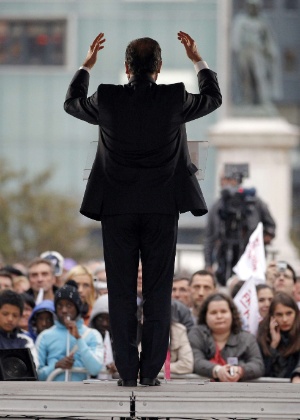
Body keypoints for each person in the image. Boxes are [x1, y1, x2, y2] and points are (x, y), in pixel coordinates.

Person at [64, 30, 221, 387]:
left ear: (126, 67)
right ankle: (150, 372)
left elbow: (71, 103)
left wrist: (86, 66)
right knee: (157, 290)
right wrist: (198, 58)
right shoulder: (174, 97)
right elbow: (213, 98)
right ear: (159, 68)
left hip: (116, 209)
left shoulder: (106, 97)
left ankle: (127, 372)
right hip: (162, 208)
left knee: (119, 291)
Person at [204, 171, 276, 286]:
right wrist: (208, 264)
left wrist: (260, 240)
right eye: (223, 181)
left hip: (251, 258)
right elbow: (209, 237)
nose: (227, 184)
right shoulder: (217, 206)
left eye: (230, 180)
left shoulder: (254, 202)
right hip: (225, 258)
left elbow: (271, 226)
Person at [36, 280, 103, 381]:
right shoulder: (45, 336)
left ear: (77, 308)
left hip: (82, 395)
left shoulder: (92, 334)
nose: (64, 310)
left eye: (69, 305)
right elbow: (37, 375)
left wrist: (79, 339)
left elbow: (95, 369)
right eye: (59, 306)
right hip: (52, 395)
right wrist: (56, 366)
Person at [188, 292, 264, 381]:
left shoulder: (247, 338)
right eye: (213, 313)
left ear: (232, 314)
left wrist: (240, 370)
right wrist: (217, 370)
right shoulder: (196, 334)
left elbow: (258, 365)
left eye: (223, 311)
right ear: (205, 316)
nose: (219, 316)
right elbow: (196, 361)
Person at [231, 0, 281, 106]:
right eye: (251, 6)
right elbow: (236, 37)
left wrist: (271, 51)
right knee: (246, 77)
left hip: (257, 51)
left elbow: (268, 39)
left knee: (260, 75)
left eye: (255, 6)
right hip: (244, 52)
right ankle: (246, 100)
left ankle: (264, 100)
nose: (253, 8)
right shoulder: (241, 20)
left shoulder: (262, 21)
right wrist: (237, 49)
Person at [257, 292, 300, 382]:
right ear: (272, 317)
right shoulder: (263, 336)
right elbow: (263, 370)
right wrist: (273, 345)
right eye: (279, 315)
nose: (284, 319)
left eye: (289, 313)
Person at [0, 290, 38, 368]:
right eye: (5, 314)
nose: (10, 319)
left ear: (20, 317)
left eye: (15, 315)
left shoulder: (26, 341)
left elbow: (34, 367)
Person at [89, 293, 117, 379]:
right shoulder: (87, 339)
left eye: (108, 319)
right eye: (100, 319)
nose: (104, 324)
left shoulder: (122, 343)